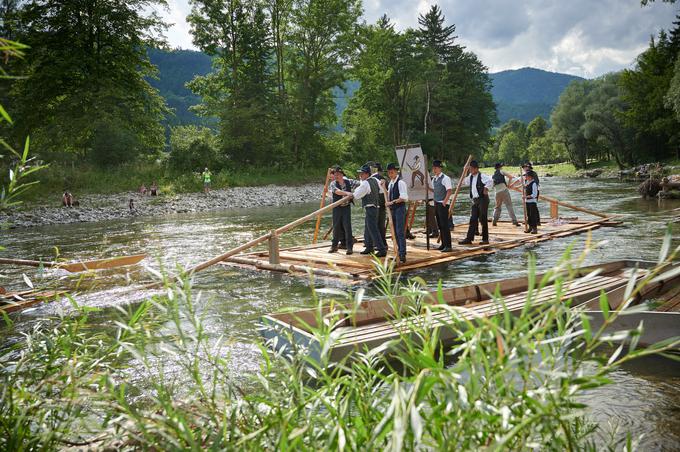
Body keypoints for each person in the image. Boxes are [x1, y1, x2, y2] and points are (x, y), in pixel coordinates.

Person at [353, 165, 387, 257]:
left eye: (362, 173)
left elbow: (356, 195)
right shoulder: (375, 180)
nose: (360, 175)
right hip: (376, 207)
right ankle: (369, 247)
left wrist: (352, 193)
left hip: (371, 208)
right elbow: (381, 191)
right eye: (360, 173)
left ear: (367, 174)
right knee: (368, 228)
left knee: (373, 229)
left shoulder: (365, 183)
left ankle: (381, 249)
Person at [458, 160, 493, 245]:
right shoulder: (470, 176)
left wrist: (486, 188)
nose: (470, 170)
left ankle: (485, 239)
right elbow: (462, 182)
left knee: (483, 219)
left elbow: (491, 181)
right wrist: (464, 171)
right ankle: (469, 238)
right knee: (473, 219)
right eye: (469, 169)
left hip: (483, 199)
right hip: (475, 200)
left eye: (471, 169)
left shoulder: (482, 176)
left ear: (476, 169)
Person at [328, 166, 360, 255]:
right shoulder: (333, 183)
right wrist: (347, 193)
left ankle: (349, 248)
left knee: (347, 227)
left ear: (342, 175)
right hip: (337, 207)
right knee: (336, 226)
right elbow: (337, 191)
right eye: (335, 174)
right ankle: (334, 246)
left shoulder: (349, 182)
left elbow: (361, 184)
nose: (336, 176)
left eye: (338, 174)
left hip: (346, 207)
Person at [385, 163, 409, 263]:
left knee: (400, 232)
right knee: (394, 232)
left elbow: (404, 198)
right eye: (389, 173)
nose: (390, 174)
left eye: (392, 172)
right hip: (393, 209)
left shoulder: (400, 183)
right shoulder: (391, 183)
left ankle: (402, 254)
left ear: (396, 171)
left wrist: (391, 202)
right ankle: (399, 252)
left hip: (399, 209)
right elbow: (389, 194)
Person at [429, 160, 453, 252]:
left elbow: (449, 190)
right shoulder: (434, 179)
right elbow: (435, 191)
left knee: (445, 225)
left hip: (443, 204)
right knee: (440, 225)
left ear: (440, 168)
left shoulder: (445, 178)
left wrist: (444, 202)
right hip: (437, 203)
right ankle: (443, 244)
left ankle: (448, 245)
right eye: (433, 168)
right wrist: (428, 188)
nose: (434, 169)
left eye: (436, 168)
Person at [369, 162, 388, 249]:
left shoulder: (371, 179)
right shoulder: (385, 179)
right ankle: (383, 243)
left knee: (375, 225)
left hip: (375, 204)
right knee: (381, 225)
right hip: (383, 204)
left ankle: (376, 243)